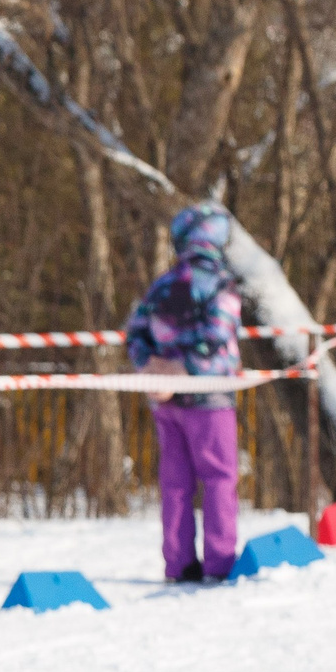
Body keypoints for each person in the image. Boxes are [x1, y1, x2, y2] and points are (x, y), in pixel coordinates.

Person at [125, 203, 246, 579]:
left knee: (175, 484)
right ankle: (220, 564)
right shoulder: (221, 283)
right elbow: (217, 334)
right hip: (210, 396)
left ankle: (178, 565)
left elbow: (135, 333)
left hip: (166, 400)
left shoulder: (162, 285)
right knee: (219, 479)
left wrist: (151, 369)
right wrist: (185, 369)